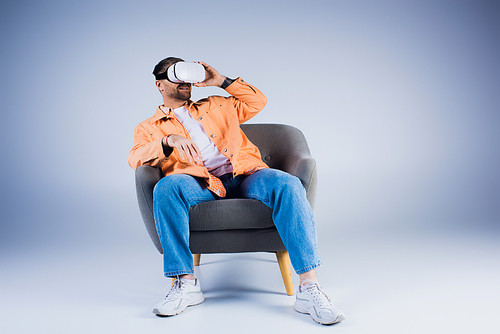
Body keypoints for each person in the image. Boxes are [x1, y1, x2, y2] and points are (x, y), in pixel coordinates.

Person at [128, 57, 345, 325]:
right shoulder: (149, 127)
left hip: (245, 174)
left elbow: (258, 101)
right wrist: (167, 140)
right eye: (175, 75)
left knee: (288, 183)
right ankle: (185, 283)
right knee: (166, 187)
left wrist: (220, 81)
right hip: (199, 182)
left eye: (186, 75)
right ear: (160, 84)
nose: (184, 81)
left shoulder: (217, 104)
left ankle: (308, 289)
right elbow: (136, 157)